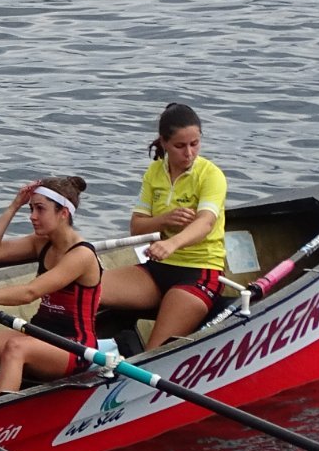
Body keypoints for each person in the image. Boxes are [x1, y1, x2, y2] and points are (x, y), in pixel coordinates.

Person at [0, 178, 103, 410]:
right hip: (40, 334)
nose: (32, 216)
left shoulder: (81, 254)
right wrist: (14, 205)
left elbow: (29, 292)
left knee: (16, 347)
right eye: (31, 208)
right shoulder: (41, 243)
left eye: (40, 209)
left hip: (74, 346)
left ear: (63, 213)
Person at [94, 103, 229, 345]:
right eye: (180, 146)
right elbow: (137, 227)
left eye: (194, 144)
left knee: (155, 350)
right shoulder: (154, 173)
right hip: (158, 269)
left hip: (201, 271)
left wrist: (173, 243)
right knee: (87, 287)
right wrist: (164, 220)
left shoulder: (211, 175)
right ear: (164, 143)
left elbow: (206, 223)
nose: (189, 153)